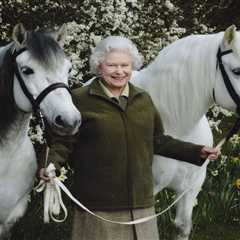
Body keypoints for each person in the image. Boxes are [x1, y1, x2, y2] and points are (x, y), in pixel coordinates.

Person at [39, 36, 219, 240]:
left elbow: (157, 140)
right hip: (99, 205)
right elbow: (64, 141)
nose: (119, 71)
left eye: (125, 65)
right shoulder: (80, 98)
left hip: (141, 203)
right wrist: (53, 165)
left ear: (133, 66)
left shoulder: (143, 99)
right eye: (112, 65)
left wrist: (196, 151)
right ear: (99, 66)